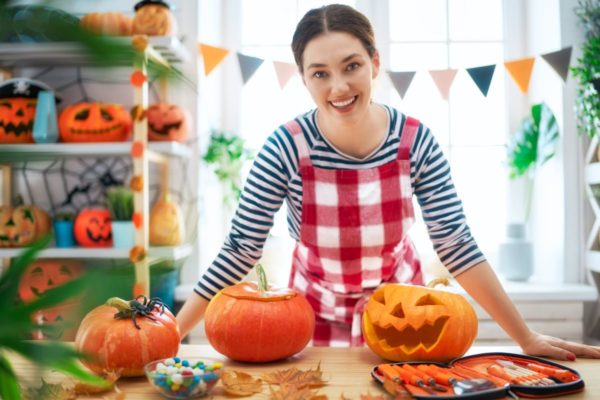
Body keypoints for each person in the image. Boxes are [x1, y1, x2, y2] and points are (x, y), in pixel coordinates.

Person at [178, 3, 600, 359]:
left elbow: (455, 243)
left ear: (375, 63)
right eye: (320, 73)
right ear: (304, 78)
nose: (339, 86)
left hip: (403, 315)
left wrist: (524, 338)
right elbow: (240, 249)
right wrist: (172, 335)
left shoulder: (415, 141)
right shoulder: (284, 147)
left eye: (352, 66)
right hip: (312, 315)